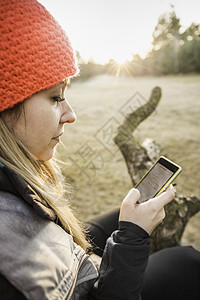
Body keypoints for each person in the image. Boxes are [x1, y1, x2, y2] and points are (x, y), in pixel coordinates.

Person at [0, 1, 199, 299]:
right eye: (55, 97)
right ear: (7, 108)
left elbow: (54, 239)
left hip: (72, 263)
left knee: (125, 215)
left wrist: (126, 219)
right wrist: (131, 237)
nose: (71, 114)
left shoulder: (11, 176)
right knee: (186, 263)